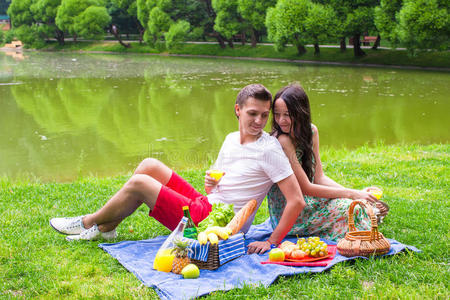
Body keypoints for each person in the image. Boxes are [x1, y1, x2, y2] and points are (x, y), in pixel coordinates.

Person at [50, 84, 306, 254]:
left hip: (220, 224)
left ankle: (86, 222)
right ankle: (107, 228)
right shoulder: (230, 138)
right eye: (253, 114)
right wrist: (211, 183)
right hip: (208, 204)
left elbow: (296, 200)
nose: (259, 121)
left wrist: (271, 241)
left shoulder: (269, 149)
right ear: (237, 110)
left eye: (264, 115)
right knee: (149, 166)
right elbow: (214, 186)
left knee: (140, 184)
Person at [267, 83, 389, 241]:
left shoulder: (311, 131)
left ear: (301, 112)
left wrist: (354, 195)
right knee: (351, 210)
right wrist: (352, 194)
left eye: (287, 114)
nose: (281, 120)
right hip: (292, 213)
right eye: (277, 114)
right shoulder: (282, 140)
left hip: (311, 201)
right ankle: (369, 214)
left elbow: (320, 178)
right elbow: (306, 188)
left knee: (353, 206)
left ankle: (368, 211)